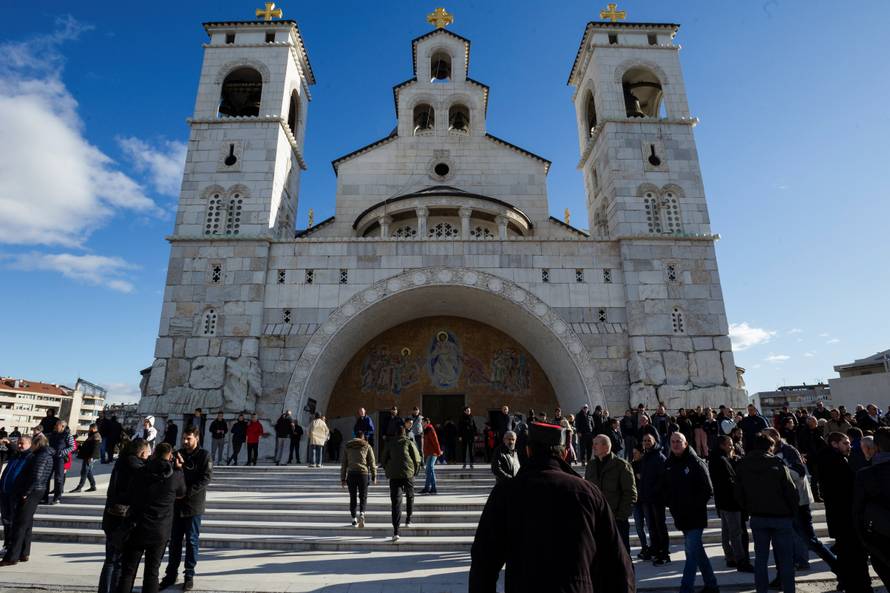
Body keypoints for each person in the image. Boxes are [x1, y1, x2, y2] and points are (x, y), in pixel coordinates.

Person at [469, 422, 634, 593]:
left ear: (528, 451)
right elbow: (617, 561)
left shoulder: (506, 492)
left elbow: (483, 561)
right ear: (564, 453)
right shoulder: (589, 493)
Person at [763, 427, 837, 575]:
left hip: (799, 501)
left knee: (810, 540)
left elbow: (799, 472)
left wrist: (779, 468)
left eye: (766, 438)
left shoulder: (788, 450)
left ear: (774, 437)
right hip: (786, 502)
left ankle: (837, 565)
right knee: (792, 536)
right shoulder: (773, 453)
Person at [116, 442, 186, 593]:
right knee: (152, 573)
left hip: (137, 526)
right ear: (171, 456)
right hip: (160, 530)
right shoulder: (176, 476)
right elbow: (181, 493)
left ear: (154, 453)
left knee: (128, 572)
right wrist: (179, 468)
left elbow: (129, 494)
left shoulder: (141, 472)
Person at [734, 432, 799, 593]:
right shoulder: (776, 462)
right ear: (770, 447)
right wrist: (792, 511)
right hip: (781, 516)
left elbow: (738, 492)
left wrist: (749, 508)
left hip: (758, 516)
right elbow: (791, 491)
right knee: (785, 560)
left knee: (760, 559)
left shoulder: (743, 464)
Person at [817, 431, 874, 593]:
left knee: (845, 554)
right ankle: (859, 585)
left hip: (838, 518)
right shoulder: (837, 462)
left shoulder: (829, 460)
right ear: (834, 444)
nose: (849, 446)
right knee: (854, 555)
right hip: (846, 517)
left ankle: (847, 582)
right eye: (845, 443)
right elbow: (848, 490)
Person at [664, 432, 718, 593]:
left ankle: (686, 588)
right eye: (672, 441)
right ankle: (712, 585)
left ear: (686, 443)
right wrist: (672, 504)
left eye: (678, 441)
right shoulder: (668, 464)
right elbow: (665, 488)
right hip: (680, 516)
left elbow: (708, 490)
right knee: (697, 552)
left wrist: (694, 505)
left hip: (695, 516)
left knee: (690, 552)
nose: (675, 444)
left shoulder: (696, 462)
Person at [160, 426, 212, 591]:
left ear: (196, 438)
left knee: (191, 541)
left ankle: (189, 575)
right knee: (174, 542)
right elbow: (169, 474)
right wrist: (177, 468)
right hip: (176, 505)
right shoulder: (177, 454)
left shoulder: (204, 455)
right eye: (184, 438)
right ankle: (171, 574)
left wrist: (186, 492)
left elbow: (205, 478)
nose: (185, 441)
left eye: (188, 438)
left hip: (193, 506)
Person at [99, 439, 150, 593]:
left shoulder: (121, 462)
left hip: (111, 515)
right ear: (142, 452)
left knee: (110, 560)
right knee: (117, 561)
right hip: (122, 518)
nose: (149, 455)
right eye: (148, 452)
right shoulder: (136, 466)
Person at [0, 434, 52, 566]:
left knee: (19, 525)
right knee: (24, 524)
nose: (19, 445)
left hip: (26, 493)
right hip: (15, 492)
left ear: (33, 444)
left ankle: (12, 556)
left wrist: (26, 492)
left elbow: (37, 477)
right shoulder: (31, 455)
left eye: (23, 443)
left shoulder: (36, 456)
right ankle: (22, 553)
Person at [584, 434, 636, 553]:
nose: (593, 447)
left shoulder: (621, 465)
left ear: (606, 446)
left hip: (616, 520)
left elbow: (630, 493)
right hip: (596, 519)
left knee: (621, 556)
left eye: (596, 444)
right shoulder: (591, 466)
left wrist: (620, 516)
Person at [708, 435, 753, 572]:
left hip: (724, 501)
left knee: (727, 532)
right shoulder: (720, 460)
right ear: (722, 445)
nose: (732, 446)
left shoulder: (718, 458)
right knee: (735, 533)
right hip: (730, 501)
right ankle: (740, 560)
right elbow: (729, 482)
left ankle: (730, 557)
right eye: (730, 444)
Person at [853, 427, 890, 589]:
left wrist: (865, 542)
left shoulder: (865, 475)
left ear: (876, 447)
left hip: (881, 538)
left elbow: (857, 512)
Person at [381, 426, 421, 542]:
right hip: (408, 474)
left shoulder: (390, 443)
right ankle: (408, 519)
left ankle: (396, 531)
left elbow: (383, 459)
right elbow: (417, 459)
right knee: (410, 496)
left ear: (395, 434)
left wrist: (388, 469)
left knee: (396, 502)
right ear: (404, 433)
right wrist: (415, 472)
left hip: (394, 476)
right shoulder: (409, 442)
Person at [638, 432, 670, 565]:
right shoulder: (645, 456)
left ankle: (664, 553)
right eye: (644, 441)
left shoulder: (659, 457)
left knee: (659, 526)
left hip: (656, 499)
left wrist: (653, 491)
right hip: (646, 498)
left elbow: (663, 479)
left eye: (648, 440)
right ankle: (656, 551)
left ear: (654, 441)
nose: (646, 443)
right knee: (651, 527)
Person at [0, 435, 31, 551]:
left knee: (14, 522)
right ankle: (7, 544)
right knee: (6, 520)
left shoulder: (30, 458)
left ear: (29, 444)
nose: (19, 445)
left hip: (16, 495)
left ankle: (13, 546)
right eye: (18, 443)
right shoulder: (16, 455)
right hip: (4, 492)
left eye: (22, 443)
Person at [340, 431, 376, 527]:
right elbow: (372, 462)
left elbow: (344, 463)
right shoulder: (367, 446)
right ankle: (362, 513)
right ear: (363, 437)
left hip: (351, 474)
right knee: (363, 496)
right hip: (363, 474)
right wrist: (374, 476)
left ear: (354, 437)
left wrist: (343, 478)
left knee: (353, 497)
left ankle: (353, 519)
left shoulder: (348, 446)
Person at [44, 420, 75, 505]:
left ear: (63, 426)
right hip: (50, 458)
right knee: (46, 477)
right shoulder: (52, 434)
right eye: (55, 424)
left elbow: (73, 447)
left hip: (60, 459)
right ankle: (44, 498)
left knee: (58, 478)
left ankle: (57, 498)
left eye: (57, 425)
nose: (55, 426)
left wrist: (62, 453)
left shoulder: (68, 435)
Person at [630, 448, 650, 560]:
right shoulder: (631, 465)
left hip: (646, 499)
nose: (634, 455)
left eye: (635, 453)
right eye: (633, 453)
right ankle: (644, 546)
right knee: (638, 525)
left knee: (650, 524)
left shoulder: (646, 464)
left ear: (642, 454)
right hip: (636, 500)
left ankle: (652, 546)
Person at [70, 423, 101, 492]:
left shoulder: (96, 435)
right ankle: (93, 486)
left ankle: (79, 487)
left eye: (90, 428)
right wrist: (80, 446)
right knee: (88, 471)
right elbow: (88, 446)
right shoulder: (92, 435)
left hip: (89, 457)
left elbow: (96, 448)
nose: (89, 430)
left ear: (94, 428)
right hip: (87, 456)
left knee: (84, 471)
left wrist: (91, 457)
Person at [420, 418, 442, 495]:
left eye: (422, 422)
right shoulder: (426, 430)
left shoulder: (430, 429)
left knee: (430, 469)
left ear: (426, 422)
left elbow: (435, 440)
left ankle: (428, 488)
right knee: (429, 470)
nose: (421, 424)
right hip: (429, 452)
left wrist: (438, 451)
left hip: (433, 452)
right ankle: (432, 488)